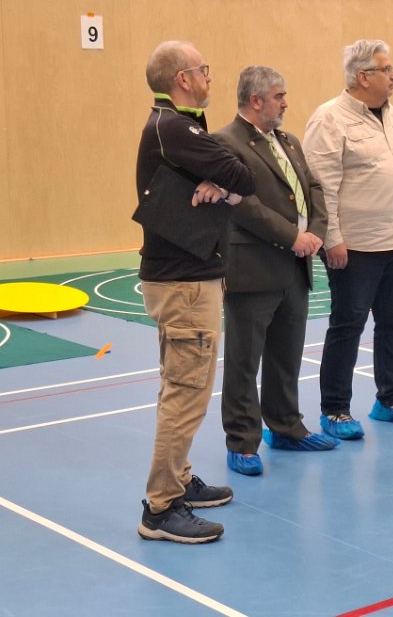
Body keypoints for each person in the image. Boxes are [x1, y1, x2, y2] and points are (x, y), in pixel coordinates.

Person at [135, 40, 255, 544]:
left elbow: (232, 178)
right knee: (185, 393)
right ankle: (161, 507)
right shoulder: (173, 128)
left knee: (185, 386)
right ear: (182, 78)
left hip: (190, 276)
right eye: (203, 69)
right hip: (183, 282)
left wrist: (222, 186)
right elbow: (243, 172)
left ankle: (179, 478)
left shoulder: (180, 127)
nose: (209, 76)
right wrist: (228, 184)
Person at [303, 39, 393, 440]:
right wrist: (331, 238)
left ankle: (391, 399)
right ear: (363, 76)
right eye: (386, 69)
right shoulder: (330, 119)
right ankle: (335, 409)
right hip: (355, 246)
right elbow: (319, 186)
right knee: (348, 325)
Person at [213, 66, 339, 477]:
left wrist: (315, 232)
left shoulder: (289, 141)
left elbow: (313, 188)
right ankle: (242, 441)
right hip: (253, 268)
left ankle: (286, 427)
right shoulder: (226, 143)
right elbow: (242, 205)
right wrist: (292, 236)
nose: (285, 103)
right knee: (244, 361)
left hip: (294, 267)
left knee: (286, 355)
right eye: (279, 96)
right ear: (256, 100)